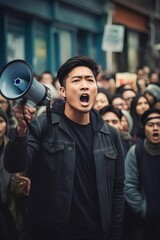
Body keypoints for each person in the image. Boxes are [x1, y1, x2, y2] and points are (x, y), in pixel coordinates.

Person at [4, 56, 125, 240]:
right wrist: (21, 129)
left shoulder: (110, 135)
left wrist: (115, 233)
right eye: (76, 80)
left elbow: (117, 188)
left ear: (95, 88)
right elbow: (14, 164)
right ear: (63, 91)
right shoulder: (42, 127)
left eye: (89, 80)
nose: (84, 85)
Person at [124, 108, 160, 240]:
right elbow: (129, 185)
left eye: (159, 124)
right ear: (144, 129)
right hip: (146, 223)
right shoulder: (136, 152)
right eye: (151, 125)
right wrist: (144, 210)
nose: (155, 128)